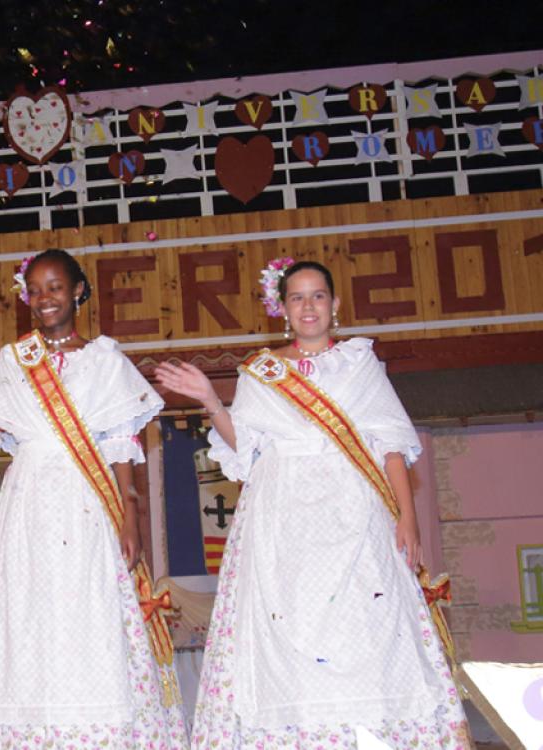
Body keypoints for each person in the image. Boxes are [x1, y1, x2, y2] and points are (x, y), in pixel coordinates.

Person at [154, 259, 470, 749]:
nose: (308, 306)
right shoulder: (262, 371)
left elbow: (389, 445)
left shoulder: (360, 364)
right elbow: (246, 447)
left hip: (354, 508)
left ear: (334, 304)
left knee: (364, 619)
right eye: (297, 297)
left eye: (318, 296)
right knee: (288, 619)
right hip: (282, 511)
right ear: (282, 308)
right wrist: (211, 401)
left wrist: (407, 517)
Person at [0, 249, 188, 749]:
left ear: (78, 290)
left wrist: (131, 518)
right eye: (34, 290)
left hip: (88, 505)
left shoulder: (105, 359)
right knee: (27, 616)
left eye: (55, 287)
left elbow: (121, 446)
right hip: (28, 507)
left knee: (89, 612)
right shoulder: (15, 361)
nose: (44, 298)